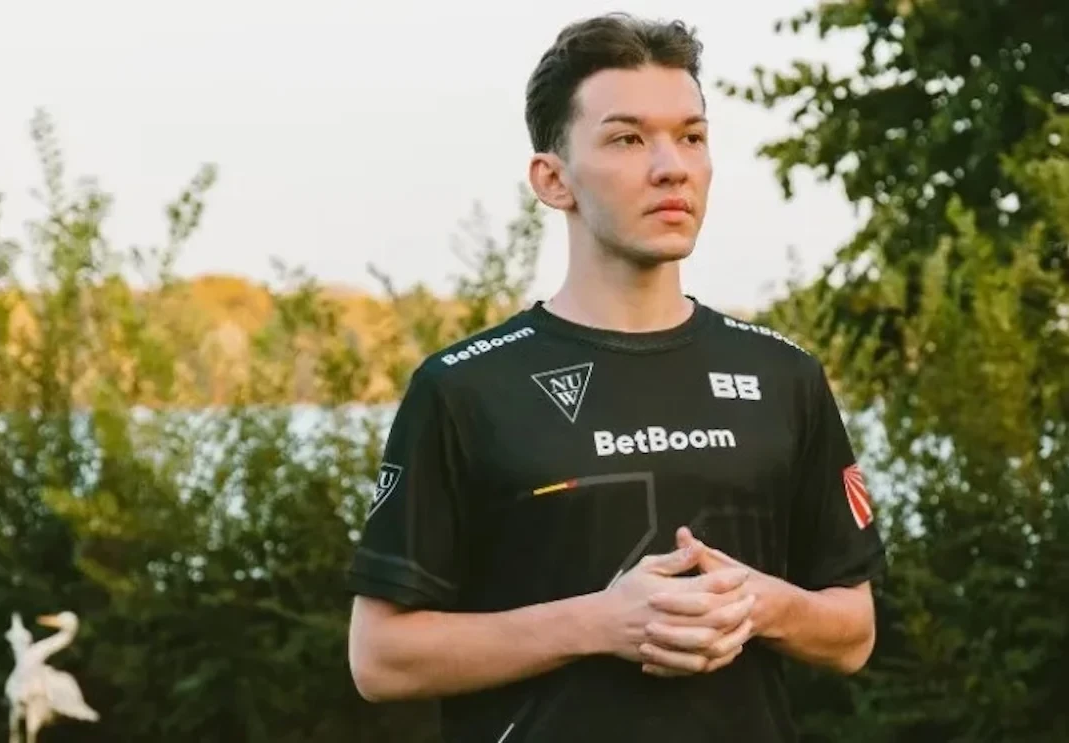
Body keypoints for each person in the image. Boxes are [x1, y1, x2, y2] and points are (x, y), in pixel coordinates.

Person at [345, 12, 886, 743]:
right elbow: (380, 658)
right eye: (628, 139)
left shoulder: (782, 375)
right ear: (553, 179)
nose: (671, 167)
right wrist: (600, 623)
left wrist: (758, 603)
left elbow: (853, 633)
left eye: (691, 136)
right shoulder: (466, 388)